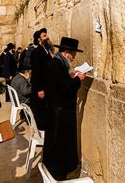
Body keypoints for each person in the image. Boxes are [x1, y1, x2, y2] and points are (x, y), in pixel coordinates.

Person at [43, 37, 86, 180]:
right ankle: (59, 173)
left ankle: (55, 169)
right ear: (67, 53)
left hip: (54, 111)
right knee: (60, 145)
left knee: (56, 144)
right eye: (73, 54)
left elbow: (60, 83)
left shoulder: (56, 63)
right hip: (59, 114)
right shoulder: (57, 65)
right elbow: (66, 89)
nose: (74, 58)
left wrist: (71, 76)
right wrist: (78, 79)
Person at [30, 28, 53, 129]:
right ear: (39, 40)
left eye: (46, 35)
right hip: (40, 87)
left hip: (46, 85)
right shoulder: (36, 52)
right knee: (40, 109)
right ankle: (41, 131)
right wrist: (39, 89)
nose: (47, 37)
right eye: (44, 36)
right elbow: (36, 72)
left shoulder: (46, 51)